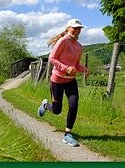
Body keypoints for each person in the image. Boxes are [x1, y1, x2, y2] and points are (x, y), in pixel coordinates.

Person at [37, 19, 88, 147]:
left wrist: (83, 69)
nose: (77, 30)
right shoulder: (63, 41)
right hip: (57, 80)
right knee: (56, 110)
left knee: (73, 104)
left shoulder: (79, 46)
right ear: (68, 28)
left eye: (79, 28)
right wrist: (66, 68)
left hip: (71, 81)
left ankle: (67, 134)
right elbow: (52, 58)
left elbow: (76, 64)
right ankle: (45, 105)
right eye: (75, 28)